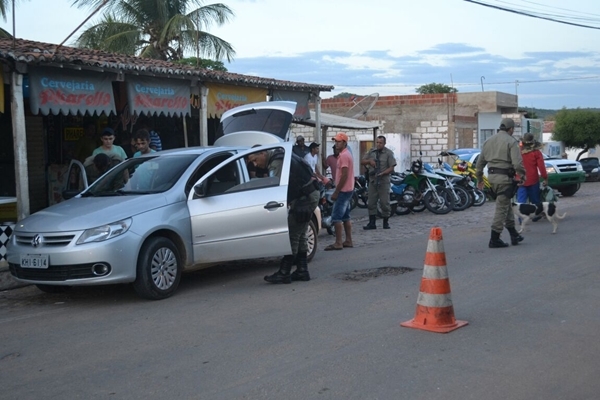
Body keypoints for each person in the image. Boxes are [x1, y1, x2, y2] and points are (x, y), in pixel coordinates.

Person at [248, 148, 320, 284]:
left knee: (292, 234)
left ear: (262, 154)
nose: (255, 164)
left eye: (255, 160)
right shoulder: (282, 155)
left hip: (304, 199)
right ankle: (302, 270)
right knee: (300, 234)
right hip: (308, 195)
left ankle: (284, 272)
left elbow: (278, 187)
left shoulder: (276, 162)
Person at [476, 118, 526, 248]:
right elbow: (517, 163)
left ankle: (514, 234)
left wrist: (480, 179)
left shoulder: (488, 141)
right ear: (510, 129)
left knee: (505, 205)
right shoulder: (511, 141)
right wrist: (522, 175)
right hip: (505, 179)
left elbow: (479, 164)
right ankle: (494, 238)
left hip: (492, 178)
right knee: (501, 209)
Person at [324, 132, 354, 251]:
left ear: (344, 143)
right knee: (346, 216)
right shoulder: (346, 154)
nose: (336, 144)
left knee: (336, 217)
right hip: (348, 189)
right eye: (335, 141)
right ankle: (348, 240)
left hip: (343, 190)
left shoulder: (344, 156)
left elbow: (344, 175)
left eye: (339, 141)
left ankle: (338, 242)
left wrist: (337, 191)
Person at [361, 135, 397, 230]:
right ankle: (372, 223)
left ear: (384, 143)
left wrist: (382, 173)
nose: (378, 144)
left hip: (383, 181)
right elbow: (362, 161)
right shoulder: (372, 151)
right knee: (371, 203)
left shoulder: (388, 153)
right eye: (377, 142)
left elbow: (392, 167)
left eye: (380, 143)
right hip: (373, 180)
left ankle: (386, 222)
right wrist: (370, 161)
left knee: (384, 203)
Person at [517, 133, 548, 205]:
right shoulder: (536, 152)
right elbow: (541, 167)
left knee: (521, 203)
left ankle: (521, 216)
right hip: (533, 180)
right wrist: (545, 178)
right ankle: (536, 215)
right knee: (536, 203)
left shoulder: (518, 151)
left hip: (520, 179)